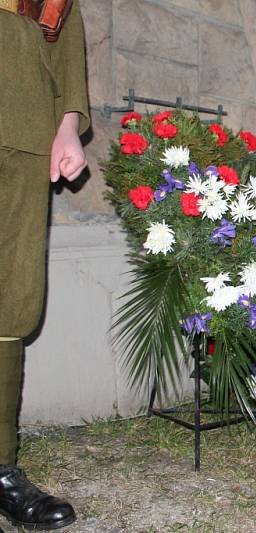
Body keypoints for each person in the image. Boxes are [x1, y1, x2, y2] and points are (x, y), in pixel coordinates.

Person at [1, 1, 90, 530]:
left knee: (11, 294)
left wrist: (68, 124)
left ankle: (0, 468)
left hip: (24, 122)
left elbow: (63, 21)